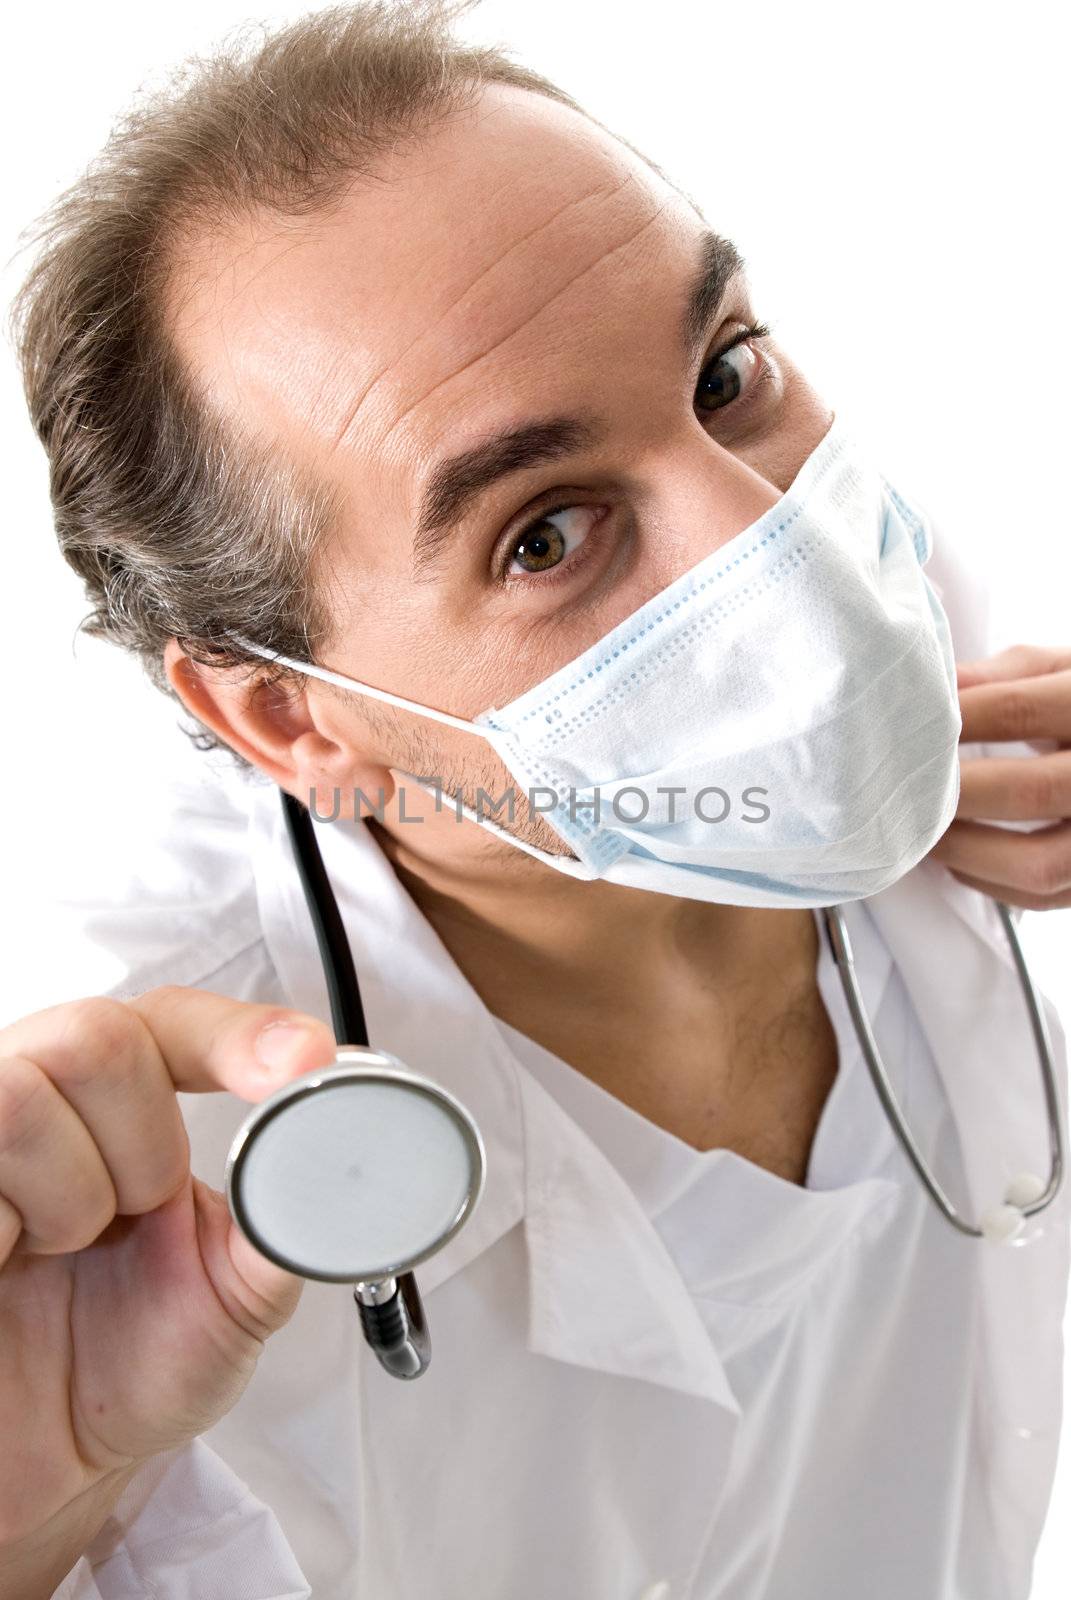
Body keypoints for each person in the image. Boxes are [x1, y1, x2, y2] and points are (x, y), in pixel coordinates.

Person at [3, 4, 1070, 1597]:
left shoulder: (963, 689)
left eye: (724, 374)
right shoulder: (110, 1168)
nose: (780, 563)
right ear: (286, 714)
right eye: (548, 535)